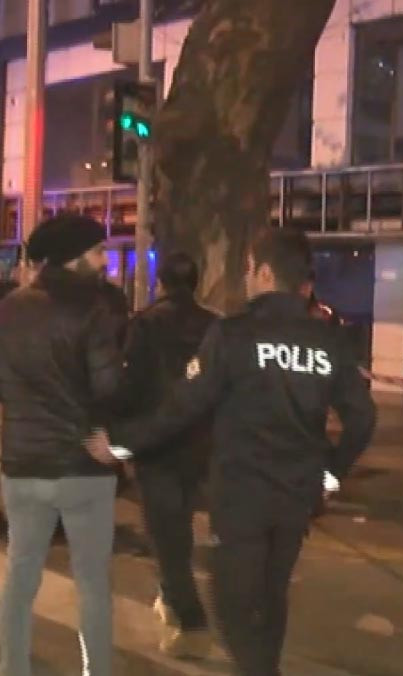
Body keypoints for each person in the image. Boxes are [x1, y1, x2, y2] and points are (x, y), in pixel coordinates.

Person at [85, 228, 376, 676]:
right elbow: (362, 420)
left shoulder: (233, 334)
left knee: (233, 602)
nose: (246, 278)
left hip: (242, 494)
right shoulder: (329, 341)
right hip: (297, 495)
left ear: (265, 273)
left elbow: (184, 406)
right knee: (271, 594)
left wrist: (123, 441)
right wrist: (331, 474)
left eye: (249, 269)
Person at [0, 215, 124, 676]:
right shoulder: (94, 310)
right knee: (91, 583)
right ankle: (95, 670)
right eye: (98, 251)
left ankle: (13, 668)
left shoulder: (10, 308)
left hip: (23, 464)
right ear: (74, 258)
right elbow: (109, 389)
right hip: (82, 465)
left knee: (20, 576)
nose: (105, 260)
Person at [117, 252, 217, 657]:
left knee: (166, 534)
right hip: (200, 441)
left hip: (157, 442)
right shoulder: (215, 326)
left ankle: (189, 618)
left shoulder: (145, 324)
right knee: (178, 525)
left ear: (161, 283)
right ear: (196, 282)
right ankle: (171, 597)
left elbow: (129, 386)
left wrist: (124, 437)